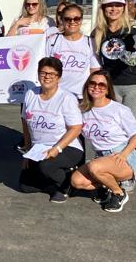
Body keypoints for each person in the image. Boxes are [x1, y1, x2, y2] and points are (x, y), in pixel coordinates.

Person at [70, 71, 136, 213]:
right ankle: (106, 188)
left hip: (123, 156)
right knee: (77, 181)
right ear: (87, 86)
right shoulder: (83, 110)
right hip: (101, 157)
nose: (96, 87)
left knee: (94, 167)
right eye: (92, 83)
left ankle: (119, 193)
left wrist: (123, 154)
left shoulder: (118, 110)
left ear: (108, 89)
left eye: (102, 85)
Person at [17, 56, 85, 202]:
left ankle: (67, 184)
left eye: (52, 74)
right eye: (43, 73)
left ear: (58, 77)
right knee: (24, 185)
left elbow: (76, 128)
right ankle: (54, 187)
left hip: (66, 147)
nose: (47, 77)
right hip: (39, 149)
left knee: (46, 166)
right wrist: (28, 150)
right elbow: (25, 123)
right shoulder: (30, 94)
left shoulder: (66, 98)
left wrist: (56, 149)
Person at [93, 0, 136, 124]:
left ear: (124, 8)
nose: (114, 9)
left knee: (130, 127)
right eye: (109, 5)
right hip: (109, 86)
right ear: (103, 8)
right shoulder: (97, 33)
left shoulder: (135, 30)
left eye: (118, 5)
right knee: (112, 128)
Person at [46, 2, 100, 97]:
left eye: (76, 18)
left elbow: (94, 71)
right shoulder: (52, 40)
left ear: (81, 20)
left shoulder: (90, 42)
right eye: (67, 19)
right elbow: (44, 67)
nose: (72, 22)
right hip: (56, 95)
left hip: (80, 96)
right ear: (62, 20)